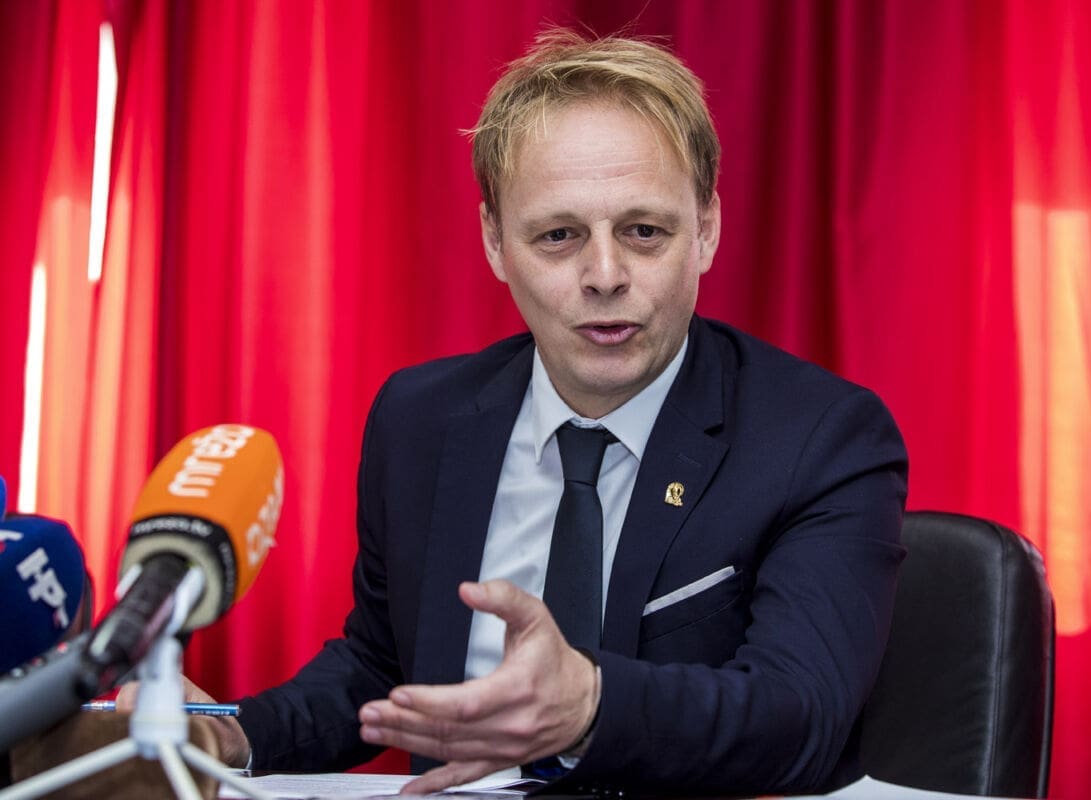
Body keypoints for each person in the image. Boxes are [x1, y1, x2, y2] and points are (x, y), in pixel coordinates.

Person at [142, 28, 908, 795]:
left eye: (643, 232)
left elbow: (800, 711)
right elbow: (382, 668)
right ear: (495, 242)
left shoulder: (820, 438)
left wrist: (589, 709)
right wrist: (236, 734)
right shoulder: (420, 420)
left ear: (705, 230)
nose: (604, 274)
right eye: (558, 236)